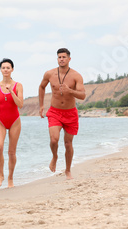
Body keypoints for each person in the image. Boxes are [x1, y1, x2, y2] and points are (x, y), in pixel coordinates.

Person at [39, 48, 86, 180]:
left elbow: (82, 95)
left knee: (68, 144)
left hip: (70, 113)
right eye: (59, 57)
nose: (61, 59)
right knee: (54, 139)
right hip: (54, 112)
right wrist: (41, 105)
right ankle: (54, 157)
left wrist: (69, 90)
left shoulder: (76, 76)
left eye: (64, 57)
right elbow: (41, 87)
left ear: (69, 59)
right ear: (57, 59)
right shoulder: (49, 74)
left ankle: (68, 170)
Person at [0, 58, 24, 188]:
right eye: (3, 67)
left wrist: (11, 91)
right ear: (0, 70)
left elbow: (20, 104)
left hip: (15, 120)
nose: (6, 70)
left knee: (11, 152)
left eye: (8, 67)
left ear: (12, 70)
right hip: (0, 120)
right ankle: (1, 175)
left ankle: (10, 178)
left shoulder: (18, 85)